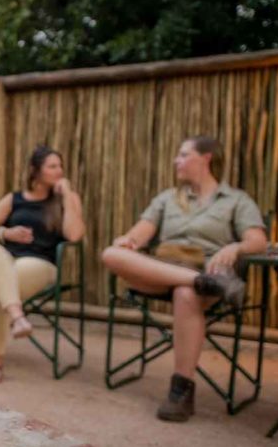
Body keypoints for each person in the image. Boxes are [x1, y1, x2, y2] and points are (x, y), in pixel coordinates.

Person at [101, 135, 267, 422]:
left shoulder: (236, 200)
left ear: (206, 158)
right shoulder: (167, 198)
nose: (176, 161)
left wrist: (234, 246)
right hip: (163, 270)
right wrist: (128, 240)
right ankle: (198, 280)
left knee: (186, 293)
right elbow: (139, 234)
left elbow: (258, 240)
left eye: (183, 155)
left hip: (209, 267)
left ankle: (180, 392)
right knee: (111, 254)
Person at [0, 146, 85, 385]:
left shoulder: (67, 200)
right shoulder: (15, 199)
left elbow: (74, 236)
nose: (59, 171)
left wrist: (67, 197)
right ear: (35, 171)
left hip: (39, 265)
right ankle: (17, 317)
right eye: (52, 166)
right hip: (2, 260)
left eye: (60, 166)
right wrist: (6, 233)